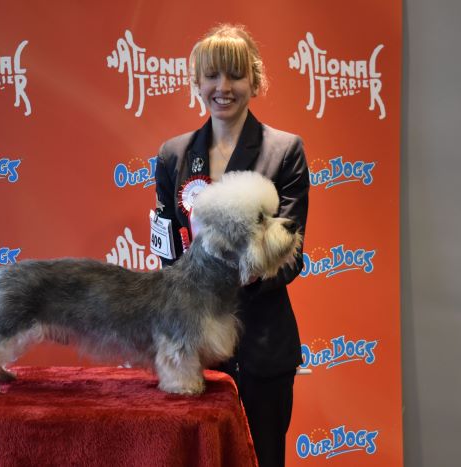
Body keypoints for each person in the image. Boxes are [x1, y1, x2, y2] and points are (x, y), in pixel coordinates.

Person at [154, 24, 310, 467]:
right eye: (212, 76)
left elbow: (289, 254)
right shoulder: (173, 155)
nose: (223, 87)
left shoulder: (285, 151)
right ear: (197, 82)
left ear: (255, 82)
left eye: (236, 76)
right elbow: (168, 252)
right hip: (195, 348)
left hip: (263, 345)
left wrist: (240, 276)